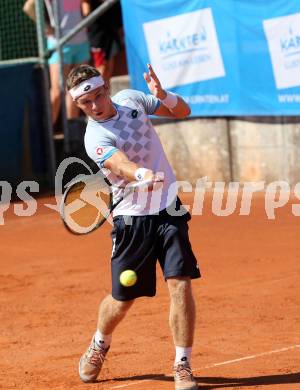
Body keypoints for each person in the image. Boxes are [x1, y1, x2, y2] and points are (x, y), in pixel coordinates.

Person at [66, 63, 200, 390]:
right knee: (122, 299)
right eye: (87, 103)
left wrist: (163, 95)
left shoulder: (132, 100)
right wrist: (141, 174)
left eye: (99, 95)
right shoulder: (95, 136)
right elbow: (119, 164)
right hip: (131, 219)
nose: (96, 105)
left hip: (167, 208)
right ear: (79, 105)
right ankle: (100, 342)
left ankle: (182, 364)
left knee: (180, 284)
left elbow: (183, 111)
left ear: (106, 87)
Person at [23, 0, 90, 124]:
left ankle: (72, 134)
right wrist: (45, 27)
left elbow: (85, 3)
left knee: (77, 90)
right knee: (57, 92)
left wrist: (86, 18)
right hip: (59, 44)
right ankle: (46, 135)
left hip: (82, 42)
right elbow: (28, 7)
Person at [81, 0, 123, 84]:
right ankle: (98, 92)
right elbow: (86, 12)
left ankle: (106, 95)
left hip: (111, 30)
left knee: (108, 70)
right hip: (97, 34)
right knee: (101, 70)